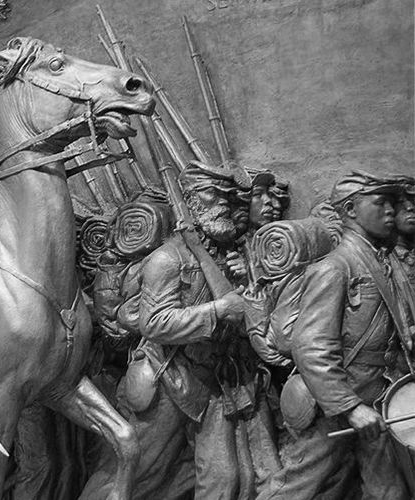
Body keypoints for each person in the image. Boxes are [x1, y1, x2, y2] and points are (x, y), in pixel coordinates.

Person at [82, 163, 250, 499]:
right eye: (213, 195)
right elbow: (155, 323)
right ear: (189, 201)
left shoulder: (221, 258)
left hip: (211, 382)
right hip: (168, 378)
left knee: (224, 477)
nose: (224, 205)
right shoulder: (167, 259)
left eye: (229, 198)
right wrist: (215, 310)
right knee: (133, 475)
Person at [257, 171, 410, 499]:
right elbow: (310, 345)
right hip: (339, 405)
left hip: (377, 397)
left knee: (390, 492)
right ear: (351, 210)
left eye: (393, 203)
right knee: (296, 486)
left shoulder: (381, 261)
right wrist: (351, 407)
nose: (390, 211)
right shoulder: (336, 267)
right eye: (380, 202)